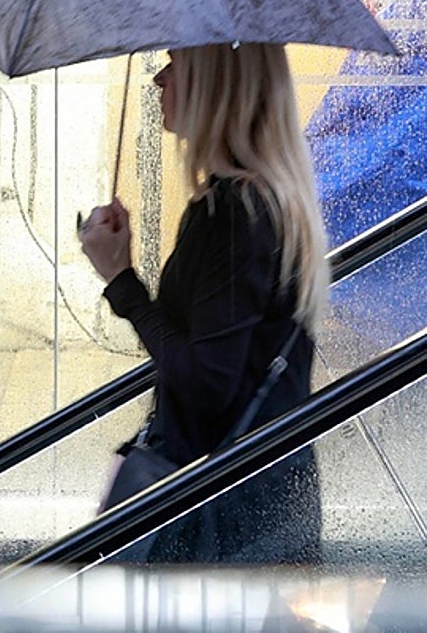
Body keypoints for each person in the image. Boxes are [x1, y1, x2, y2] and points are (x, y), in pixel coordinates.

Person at [79, 43, 328, 564]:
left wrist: (122, 282)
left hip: (232, 520)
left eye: (175, 63)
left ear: (215, 82)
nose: (158, 80)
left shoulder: (237, 214)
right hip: (258, 503)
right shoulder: (249, 200)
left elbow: (206, 382)